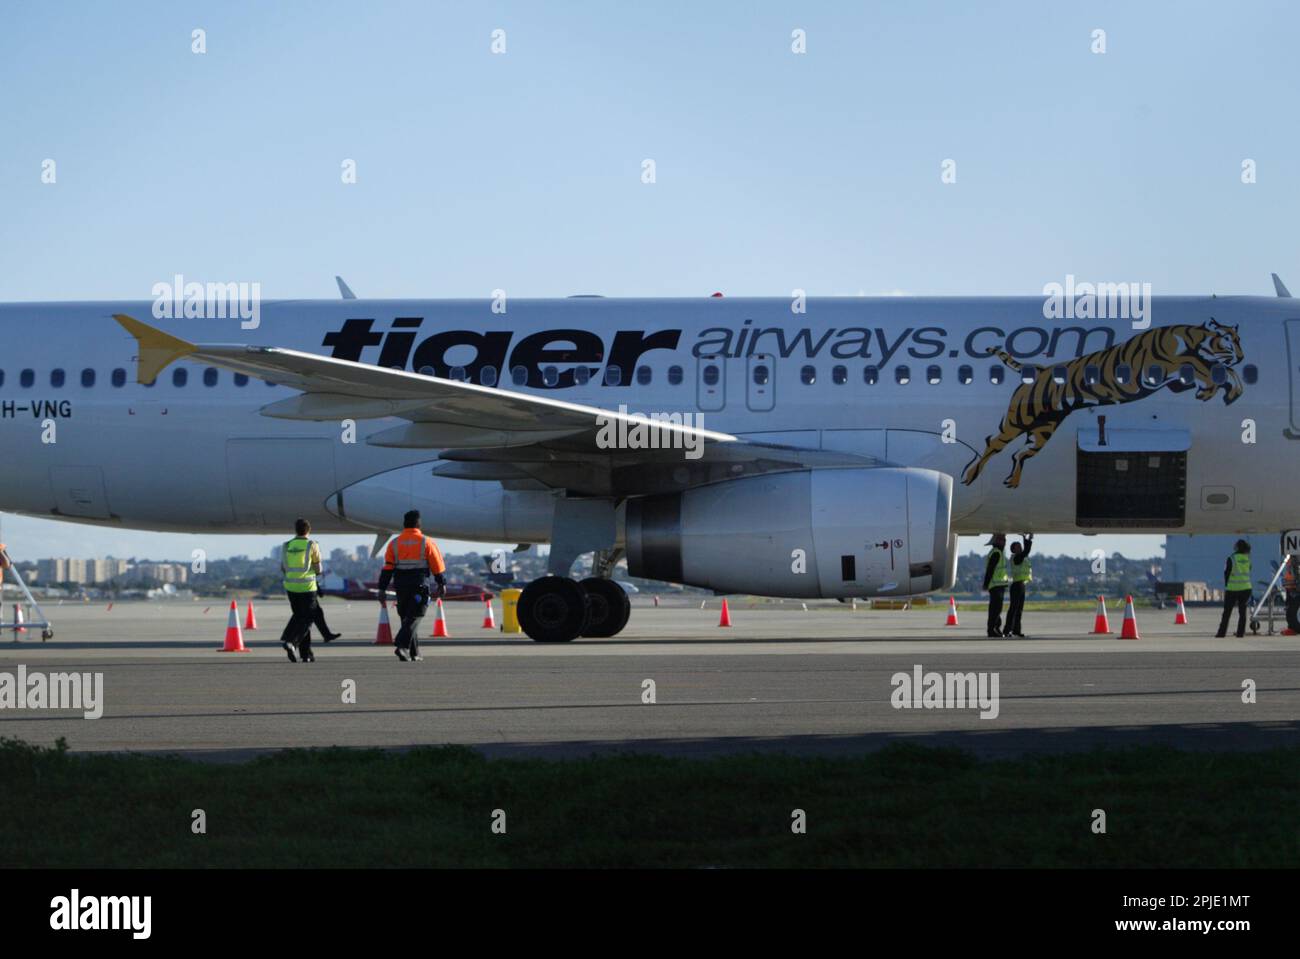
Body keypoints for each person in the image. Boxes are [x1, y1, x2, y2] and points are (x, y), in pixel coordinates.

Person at [376, 510, 447, 662]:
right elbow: (437, 566)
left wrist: (382, 588)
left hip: (401, 586)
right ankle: (401, 645)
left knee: (406, 618)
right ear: (418, 524)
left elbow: (387, 569)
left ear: (404, 524)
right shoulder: (426, 542)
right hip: (419, 584)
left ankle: (413, 653)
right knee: (416, 615)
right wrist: (441, 584)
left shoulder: (394, 544)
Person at [279, 518, 323, 663]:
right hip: (307, 587)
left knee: (300, 617)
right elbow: (318, 568)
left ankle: (306, 654)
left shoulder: (287, 545)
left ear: (296, 530)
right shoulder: (312, 544)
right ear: (308, 530)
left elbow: (283, 567)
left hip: (291, 587)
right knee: (308, 618)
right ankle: (291, 642)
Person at [1215, 539, 1253, 638]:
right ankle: (1240, 633)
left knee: (1227, 612)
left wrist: (1227, 584)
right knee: (1242, 612)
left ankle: (1221, 633)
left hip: (1232, 589)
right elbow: (1249, 569)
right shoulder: (1247, 559)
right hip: (1246, 588)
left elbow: (1226, 572)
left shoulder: (1231, 558)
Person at [1004, 533, 1033, 637]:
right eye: (1018, 547)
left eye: (1020, 546)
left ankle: (1016, 630)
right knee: (1013, 609)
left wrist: (1027, 540)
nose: (1020, 548)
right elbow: (1026, 551)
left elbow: (1026, 551)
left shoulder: (1021, 557)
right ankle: (1007, 630)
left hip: (1021, 585)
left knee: (1019, 610)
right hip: (1017, 585)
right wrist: (1026, 539)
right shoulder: (1017, 558)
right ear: (1013, 550)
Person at [982, 533, 1010, 638]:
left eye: (1004, 539)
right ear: (996, 541)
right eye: (1002, 539)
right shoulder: (996, 553)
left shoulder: (1000, 552)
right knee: (995, 609)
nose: (1004, 541)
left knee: (998, 609)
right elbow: (990, 570)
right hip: (995, 586)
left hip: (1000, 585)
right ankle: (991, 629)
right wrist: (986, 583)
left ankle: (996, 628)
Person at [1283, 554, 1300, 636]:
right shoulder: (1290, 557)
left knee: (1292, 610)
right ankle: (1292, 627)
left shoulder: (1296, 557)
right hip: (1290, 586)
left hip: (1295, 588)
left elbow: (1297, 571)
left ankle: (1295, 628)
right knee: (1289, 609)